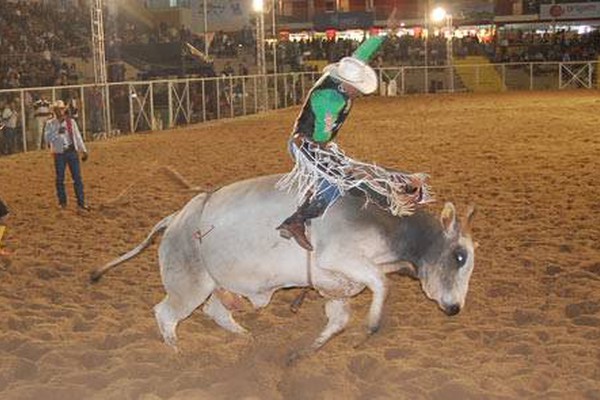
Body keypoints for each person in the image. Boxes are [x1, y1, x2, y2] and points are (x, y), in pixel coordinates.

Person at [276, 34, 432, 251]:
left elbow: (362, 53)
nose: (359, 92)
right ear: (347, 84)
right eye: (357, 88)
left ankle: (400, 187)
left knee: (349, 171)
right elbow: (321, 137)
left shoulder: (342, 79)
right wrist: (330, 156)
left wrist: (384, 33)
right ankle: (296, 221)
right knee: (339, 181)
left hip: (317, 143)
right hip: (306, 145)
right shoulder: (329, 101)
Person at [44, 100, 90, 211]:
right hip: (59, 153)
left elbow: (77, 136)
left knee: (77, 178)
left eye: (61, 109)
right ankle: (62, 202)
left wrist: (83, 150)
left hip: (71, 151)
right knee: (60, 179)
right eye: (58, 109)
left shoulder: (71, 122)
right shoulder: (50, 124)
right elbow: (47, 140)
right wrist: (57, 133)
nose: (60, 111)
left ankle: (81, 203)